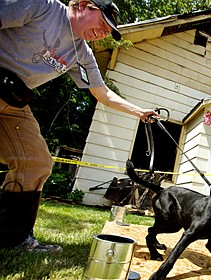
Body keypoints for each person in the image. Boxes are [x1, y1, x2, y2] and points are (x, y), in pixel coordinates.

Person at [0, 0, 158, 253]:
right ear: (85, 5)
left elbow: (103, 93)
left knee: (36, 163)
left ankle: (13, 240)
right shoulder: (43, 7)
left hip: (13, 101)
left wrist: (139, 112)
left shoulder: (82, 53)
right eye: (103, 23)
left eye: (109, 31)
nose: (104, 32)